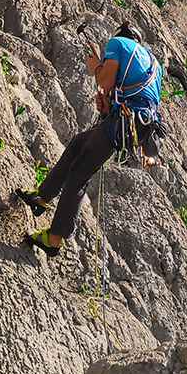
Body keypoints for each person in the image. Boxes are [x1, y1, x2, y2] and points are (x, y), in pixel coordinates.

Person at [17, 22, 162, 257]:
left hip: (123, 122)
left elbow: (105, 82)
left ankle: (55, 238)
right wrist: (107, 108)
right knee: (78, 145)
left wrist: (97, 67)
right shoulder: (153, 64)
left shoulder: (117, 43)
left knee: (79, 172)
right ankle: (42, 197)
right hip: (137, 125)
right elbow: (138, 96)